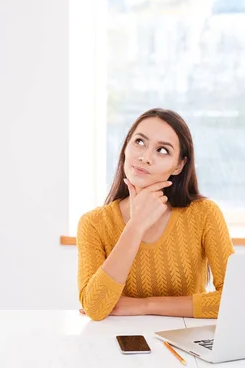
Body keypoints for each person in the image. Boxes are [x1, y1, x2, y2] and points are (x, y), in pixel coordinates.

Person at [77, 108, 234, 321]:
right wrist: (136, 226)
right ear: (125, 147)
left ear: (179, 165)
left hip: (186, 341)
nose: (145, 157)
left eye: (162, 150)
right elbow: (95, 308)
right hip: (119, 342)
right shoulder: (93, 224)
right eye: (140, 142)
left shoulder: (204, 214)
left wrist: (145, 305)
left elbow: (233, 300)